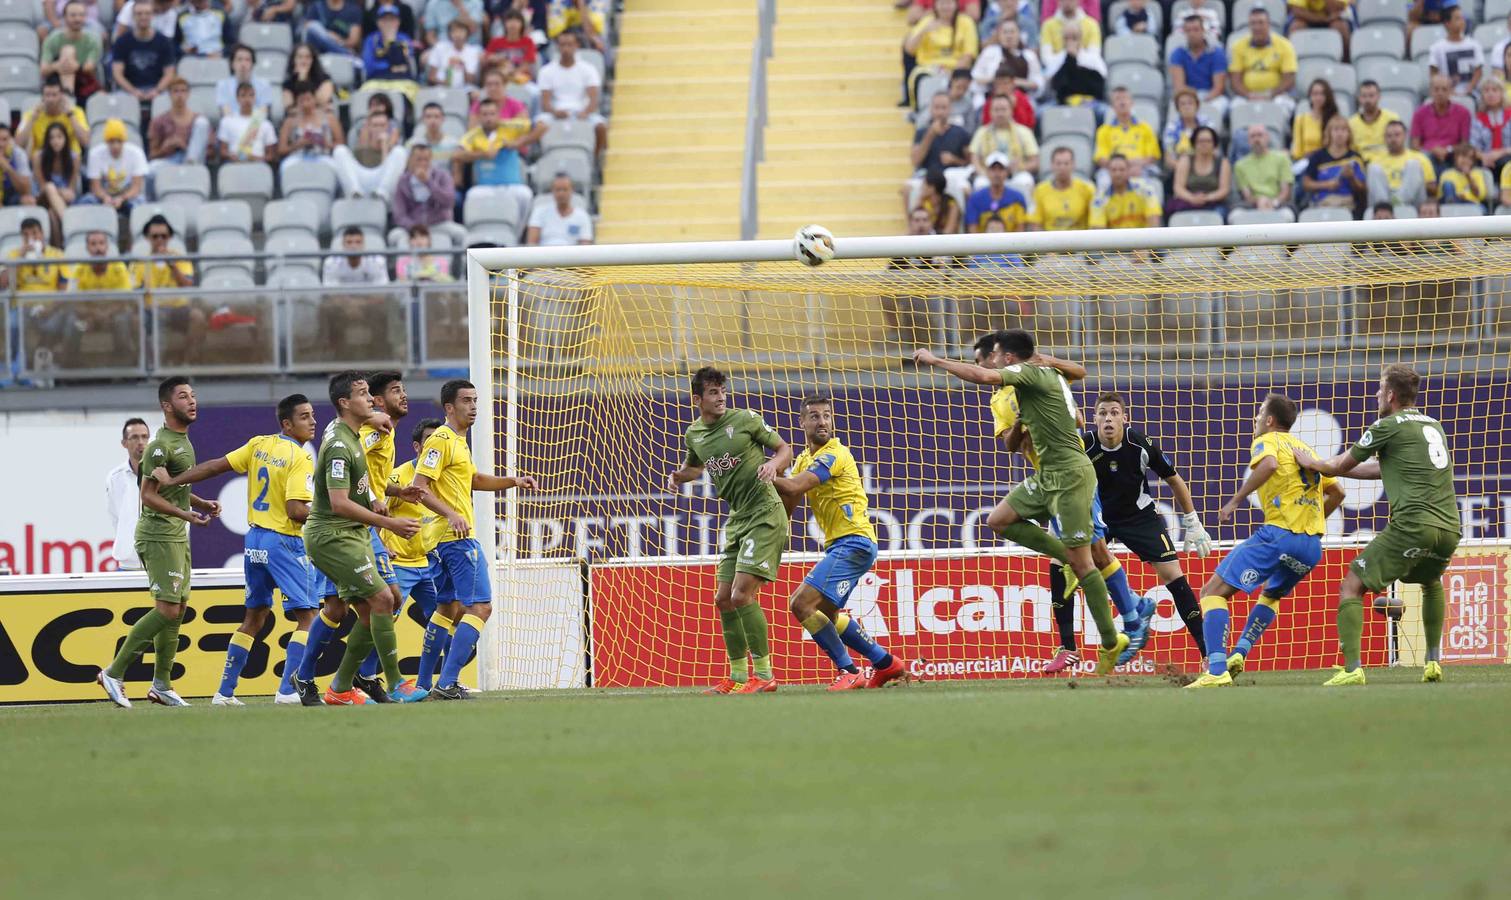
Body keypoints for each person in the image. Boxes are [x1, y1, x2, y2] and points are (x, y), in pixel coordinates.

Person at [913, 331, 1131, 674]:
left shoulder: (1031, 372)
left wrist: (935, 360)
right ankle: (1068, 560)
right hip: (1047, 477)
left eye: (997, 355)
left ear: (1010, 358)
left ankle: (1110, 641)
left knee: (1087, 562)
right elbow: (1069, 389)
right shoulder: (1046, 374)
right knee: (998, 520)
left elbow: (984, 376)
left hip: (1071, 475)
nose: (994, 361)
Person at [149, 396, 325, 705]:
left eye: (312, 415)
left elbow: (214, 466)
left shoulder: (259, 444)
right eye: (304, 417)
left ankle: (224, 692)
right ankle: (288, 690)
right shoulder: (300, 457)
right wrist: (330, 514)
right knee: (308, 616)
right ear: (287, 423)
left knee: (254, 617)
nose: (312, 422)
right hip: (284, 540)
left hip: (254, 541)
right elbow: (296, 510)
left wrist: (174, 482)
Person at [1298, 365, 1462, 686]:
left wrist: (1314, 464)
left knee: (1352, 585)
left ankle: (1353, 669)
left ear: (1390, 395)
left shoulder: (1386, 425)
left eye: (1379, 390)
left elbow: (1344, 463)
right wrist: (1336, 470)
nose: (1375, 395)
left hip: (1412, 524)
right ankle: (1432, 663)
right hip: (1448, 526)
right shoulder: (1434, 424)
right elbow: (1381, 469)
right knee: (1430, 581)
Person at [1185, 394, 1345, 688]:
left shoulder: (1268, 441)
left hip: (1278, 536)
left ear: (1270, 420)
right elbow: (1338, 493)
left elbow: (1269, 464)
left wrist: (1235, 500)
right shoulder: (1305, 448)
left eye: (1259, 413)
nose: (1256, 419)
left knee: (1211, 592)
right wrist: (1312, 519)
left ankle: (1217, 669)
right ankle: (1240, 653)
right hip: (1310, 547)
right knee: (1271, 595)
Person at [298, 372, 425, 705]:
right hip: (333, 534)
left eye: (372, 393)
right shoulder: (342, 444)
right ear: (344, 403)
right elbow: (339, 502)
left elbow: (362, 479)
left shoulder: (350, 434)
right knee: (374, 602)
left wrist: (380, 495)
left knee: (384, 603)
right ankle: (394, 682)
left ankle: (340, 688)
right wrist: (389, 521)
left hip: (352, 531)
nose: (372, 399)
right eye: (364, 394)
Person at [664, 368, 791, 694]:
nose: (720, 397)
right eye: (712, 392)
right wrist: (680, 476)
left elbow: (784, 449)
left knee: (741, 594)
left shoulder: (746, 419)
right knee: (723, 599)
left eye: (722, 390)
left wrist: (773, 465)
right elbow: (695, 467)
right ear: (698, 399)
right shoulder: (694, 434)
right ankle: (737, 678)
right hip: (738, 520)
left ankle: (764, 676)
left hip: (765, 513)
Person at [410, 379, 539, 700]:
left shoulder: (457, 441)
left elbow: (474, 479)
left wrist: (512, 480)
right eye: (466, 401)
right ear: (449, 408)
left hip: (440, 540)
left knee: (447, 607)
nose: (474, 407)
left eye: (476, 400)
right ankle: (449, 682)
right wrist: (452, 513)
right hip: (453, 538)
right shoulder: (440, 440)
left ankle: (425, 684)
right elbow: (419, 486)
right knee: (480, 607)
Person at [95, 377, 219, 709]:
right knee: (166, 609)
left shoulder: (183, 442)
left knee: (176, 611)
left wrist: (200, 503)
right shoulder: (160, 445)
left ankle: (161, 684)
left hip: (176, 533)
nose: (192, 401)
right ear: (167, 406)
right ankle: (114, 672)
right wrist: (186, 513)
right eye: (183, 396)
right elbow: (148, 497)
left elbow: (171, 488)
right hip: (158, 535)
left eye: (193, 395)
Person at [772, 397, 907, 691]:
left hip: (854, 542)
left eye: (827, 416)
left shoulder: (835, 454)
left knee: (801, 603)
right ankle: (886, 664)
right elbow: (790, 501)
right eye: (814, 416)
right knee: (829, 615)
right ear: (802, 423)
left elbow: (795, 486)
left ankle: (849, 670)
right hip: (841, 545)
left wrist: (764, 473)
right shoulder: (803, 460)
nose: (822, 422)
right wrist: (776, 480)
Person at [1082, 392, 1215, 663]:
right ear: (1094, 419)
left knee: (1175, 578)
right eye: (1103, 413)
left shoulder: (1140, 444)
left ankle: (1208, 654)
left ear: (1125, 418)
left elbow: (1174, 480)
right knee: (1080, 569)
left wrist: (1192, 522)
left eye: (1115, 413)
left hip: (1139, 517)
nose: (1109, 418)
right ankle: (1136, 609)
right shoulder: (1083, 445)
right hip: (1100, 519)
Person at [371, 416, 448, 691]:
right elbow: (374, 511)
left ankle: (441, 681)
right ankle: (365, 677)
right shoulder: (398, 476)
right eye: (429, 441)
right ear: (417, 446)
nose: (436, 446)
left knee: (444, 619)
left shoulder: (444, 475)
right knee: (383, 622)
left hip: (429, 562)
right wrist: (381, 545)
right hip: (399, 564)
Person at [455, 95, 542, 232]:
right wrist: (482, 154)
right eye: (484, 114)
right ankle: (478, 235)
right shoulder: (473, 136)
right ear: (479, 117)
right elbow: (457, 155)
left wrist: (518, 143)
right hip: (485, 187)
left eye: (492, 114)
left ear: (498, 115)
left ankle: (515, 234)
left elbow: (541, 126)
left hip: (511, 185)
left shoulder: (510, 126)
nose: (489, 118)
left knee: (525, 194)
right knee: (472, 195)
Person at [133, 214, 202, 362]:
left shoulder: (179, 258)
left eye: (164, 236)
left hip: (178, 308)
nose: (160, 240)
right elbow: (135, 291)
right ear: (147, 238)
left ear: (169, 237)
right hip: (151, 310)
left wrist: (173, 266)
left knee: (198, 317)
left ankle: (187, 362)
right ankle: (150, 364)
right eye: (155, 236)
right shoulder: (140, 263)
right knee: (135, 320)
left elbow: (187, 284)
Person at [538, 31, 606, 159]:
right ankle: (544, 158)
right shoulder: (546, 71)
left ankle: (595, 159)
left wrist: (585, 112)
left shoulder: (588, 69)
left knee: (601, 127)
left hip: (582, 111)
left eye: (569, 45)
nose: (566, 49)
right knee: (540, 125)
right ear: (558, 47)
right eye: (562, 45)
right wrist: (555, 112)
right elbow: (545, 102)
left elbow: (593, 99)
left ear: (577, 46)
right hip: (557, 111)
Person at [902, 0, 978, 108]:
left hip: (956, 70)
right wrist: (924, 31)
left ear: (956, 5)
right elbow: (909, 49)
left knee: (958, 82)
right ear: (935, 6)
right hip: (928, 69)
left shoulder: (966, 22)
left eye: (949, 3)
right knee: (924, 80)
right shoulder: (927, 21)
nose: (945, 7)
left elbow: (968, 55)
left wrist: (951, 72)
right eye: (942, 3)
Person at [391, 144, 465, 253]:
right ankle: (400, 269)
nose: (422, 163)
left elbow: (449, 202)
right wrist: (416, 228)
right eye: (418, 160)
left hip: (439, 223)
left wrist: (428, 182)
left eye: (426, 159)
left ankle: (458, 268)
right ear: (410, 160)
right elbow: (399, 215)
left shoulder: (442, 176)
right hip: (413, 226)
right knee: (393, 236)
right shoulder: (403, 181)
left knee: (461, 234)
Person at [332, 97, 409, 200]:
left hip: (381, 182)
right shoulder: (363, 143)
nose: (379, 128)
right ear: (370, 127)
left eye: (382, 125)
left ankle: (382, 193)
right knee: (339, 150)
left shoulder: (392, 149)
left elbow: (386, 169)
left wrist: (384, 146)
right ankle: (354, 192)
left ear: (387, 127)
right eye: (375, 125)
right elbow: (359, 159)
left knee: (400, 151)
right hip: (361, 179)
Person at [1230, 7, 1298, 117]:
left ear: (1269, 24)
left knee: (1284, 106)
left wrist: (1270, 95)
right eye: (1253, 23)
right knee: (1235, 108)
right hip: (1247, 96)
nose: (1257, 27)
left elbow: (1289, 79)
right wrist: (1249, 95)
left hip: (1277, 95)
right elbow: (1235, 80)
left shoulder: (1285, 45)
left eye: (1261, 23)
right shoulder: (1239, 46)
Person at [147, 79, 210, 191]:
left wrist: (186, 147)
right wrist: (165, 148)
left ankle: (189, 163)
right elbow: (152, 155)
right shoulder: (159, 121)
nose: (180, 95)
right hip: (170, 161)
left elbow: (211, 153)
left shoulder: (197, 118)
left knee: (202, 123)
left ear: (188, 94)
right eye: (176, 91)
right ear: (169, 95)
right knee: (150, 170)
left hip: (194, 161)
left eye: (183, 91)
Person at [105, 417, 150, 571]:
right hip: (127, 563)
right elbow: (115, 517)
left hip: (160, 561)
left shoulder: (164, 474)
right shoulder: (115, 477)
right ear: (124, 443)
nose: (141, 442)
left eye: (144, 437)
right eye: (134, 437)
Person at [1093, 87, 1159, 191]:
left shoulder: (1145, 128)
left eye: (1125, 98)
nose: (1122, 102)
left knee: (1150, 183)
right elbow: (1101, 158)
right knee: (1103, 180)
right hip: (1113, 169)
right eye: (1118, 99)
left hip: (1140, 168)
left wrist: (1135, 166)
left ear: (1132, 103)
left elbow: (1152, 156)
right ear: (1112, 106)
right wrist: (1121, 169)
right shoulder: (1104, 130)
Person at [969, 94, 1037, 193]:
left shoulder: (1024, 132)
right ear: (990, 112)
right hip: (989, 175)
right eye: (996, 110)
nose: (1000, 113)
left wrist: (1020, 167)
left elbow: (1035, 161)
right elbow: (974, 159)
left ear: (1011, 111)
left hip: (1015, 173)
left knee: (1025, 181)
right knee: (980, 184)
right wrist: (983, 172)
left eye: (1003, 109)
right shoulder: (981, 132)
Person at [277, 80, 344, 181]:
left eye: (308, 99)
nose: (305, 104)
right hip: (297, 157)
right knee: (286, 167)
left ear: (314, 99)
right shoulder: (290, 121)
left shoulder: (329, 118)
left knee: (334, 168)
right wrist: (298, 145)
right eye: (302, 100)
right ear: (297, 102)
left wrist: (326, 143)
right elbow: (281, 149)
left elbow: (341, 144)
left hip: (323, 157)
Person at [112, 1, 177, 103]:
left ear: (153, 16)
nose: (143, 17)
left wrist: (157, 91)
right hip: (128, 91)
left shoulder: (164, 42)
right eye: (139, 13)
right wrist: (133, 91)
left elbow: (169, 73)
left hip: (157, 91)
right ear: (133, 16)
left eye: (147, 13)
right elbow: (117, 73)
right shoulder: (122, 42)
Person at [910, 92, 972, 199]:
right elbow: (916, 161)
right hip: (927, 176)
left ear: (950, 109)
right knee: (909, 189)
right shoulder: (921, 133)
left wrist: (955, 160)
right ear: (930, 109)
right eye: (936, 108)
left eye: (944, 108)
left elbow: (969, 162)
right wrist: (930, 134)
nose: (940, 112)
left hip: (953, 176)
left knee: (965, 190)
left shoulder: (961, 132)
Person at [1168, 14, 1228, 118]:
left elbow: (1218, 87)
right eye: (1188, 30)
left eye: (1196, 30)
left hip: (1211, 96)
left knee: (1218, 106)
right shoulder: (1178, 53)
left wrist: (1201, 101)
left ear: (1203, 31)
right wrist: (1192, 101)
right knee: (1176, 108)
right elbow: (1179, 86)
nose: (1192, 34)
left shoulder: (1217, 53)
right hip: (1188, 95)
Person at [1302, 114, 1366, 210]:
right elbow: (1306, 184)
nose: (1339, 134)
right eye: (1336, 129)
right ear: (1329, 133)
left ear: (1349, 134)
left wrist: (1352, 177)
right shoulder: (1318, 156)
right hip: (1321, 203)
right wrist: (1327, 184)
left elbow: (1362, 188)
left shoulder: (1355, 157)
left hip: (1347, 204)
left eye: (1343, 130)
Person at [83, 119, 147, 212]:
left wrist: (122, 198)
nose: (115, 146)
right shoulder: (95, 154)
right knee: (86, 201)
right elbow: (95, 187)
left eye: (119, 141)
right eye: (112, 141)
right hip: (103, 196)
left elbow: (136, 187)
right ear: (106, 141)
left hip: (128, 196)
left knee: (140, 205)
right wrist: (105, 197)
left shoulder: (136, 153)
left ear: (124, 141)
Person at [1369, 119, 1436, 207]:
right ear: (1384, 138)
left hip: (1412, 203)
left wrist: (1417, 181)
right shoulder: (1376, 160)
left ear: (1405, 136)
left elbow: (1433, 189)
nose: (1393, 139)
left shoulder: (1420, 158)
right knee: (1373, 168)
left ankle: (1397, 202)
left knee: (1413, 165)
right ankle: (1386, 207)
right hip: (1384, 199)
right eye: (1389, 136)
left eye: (1397, 135)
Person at [41, 1, 102, 99]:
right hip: (57, 82)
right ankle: (68, 95)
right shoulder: (52, 39)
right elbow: (44, 69)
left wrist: (76, 66)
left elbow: (90, 68)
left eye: (81, 15)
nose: (77, 19)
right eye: (73, 15)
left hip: (83, 80)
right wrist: (58, 65)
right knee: (67, 51)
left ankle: (69, 96)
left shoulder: (92, 40)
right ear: (64, 18)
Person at [1041, 22, 1106, 113]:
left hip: (1090, 101)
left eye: (1074, 38)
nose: (1070, 42)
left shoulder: (1093, 59)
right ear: (1062, 40)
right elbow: (1054, 87)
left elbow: (1099, 86)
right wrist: (1070, 60)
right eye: (1067, 38)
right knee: (1041, 112)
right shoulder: (1055, 60)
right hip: (1062, 103)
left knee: (1103, 111)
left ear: (1080, 38)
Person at [32, 123, 81, 243]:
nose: (55, 141)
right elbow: (42, 186)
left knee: (52, 215)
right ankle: (70, 225)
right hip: (42, 198)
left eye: (59, 137)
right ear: (47, 140)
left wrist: (63, 193)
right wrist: (59, 191)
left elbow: (71, 191)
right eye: (51, 138)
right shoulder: (38, 156)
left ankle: (60, 251)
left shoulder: (74, 158)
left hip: (64, 201)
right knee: (49, 187)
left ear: (65, 138)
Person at [972, 19, 1041, 103]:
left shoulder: (1029, 55)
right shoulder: (989, 52)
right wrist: (997, 81)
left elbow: (1037, 83)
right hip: (991, 97)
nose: (1009, 36)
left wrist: (1015, 82)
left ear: (1019, 34)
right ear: (999, 35)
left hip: (1022, 98)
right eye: (1005, 32)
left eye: (1012, 32)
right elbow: (976, 77)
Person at [1412, 74, 1472, 169]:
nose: (1440, 93)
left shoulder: (1463, 113)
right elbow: (1415, 145)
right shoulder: (1420, 113)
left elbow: (1465, 143)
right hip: (1428, 155)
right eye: (1436, 89)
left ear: (1451, 91)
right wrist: (1432, 150)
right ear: (1431, 91)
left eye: (1444, 89)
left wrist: (1448, 150)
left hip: (1453, 155)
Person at [1027, 145, 1094, 229]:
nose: (1062, 167)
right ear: (1052, 165)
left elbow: (1095, 223)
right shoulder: (1040, 191)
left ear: (1073, 165)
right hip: (1050, 240)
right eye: (1058, 163)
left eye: (1066, 163)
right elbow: (1035, 224)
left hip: (1080, 240)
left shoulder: (1087, 189)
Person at [1169, 125, 1231, 217]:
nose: (1204, 144)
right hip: (1187, 201)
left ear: (1214, 144)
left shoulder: (1223, 162)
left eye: (1208, 141)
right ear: (1194, 143)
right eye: (1201, 141)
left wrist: (1206, 198)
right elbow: (1178, 187)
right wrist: (1192, 198)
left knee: (1221, 213)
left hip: (1213, 203)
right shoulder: (1185, 160)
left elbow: (1224, 190)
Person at [362, 4, 422, 97]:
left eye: (392, 19)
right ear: (378, 22)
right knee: (364, 92)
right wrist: (389, 67)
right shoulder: (371, 40)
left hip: (402, 80)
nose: (388, 23)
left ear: (398, 22)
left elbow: (408, 65)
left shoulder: (404, 38)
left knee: (413, 92)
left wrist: (392, 42)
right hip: (376, 80)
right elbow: (369, 67)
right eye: (385, 20)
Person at [1235, 123, 1295, 210]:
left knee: (1287, 214)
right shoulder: (1240, 165)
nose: (1256, 139)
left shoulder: (1282, 158)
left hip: (1279, 203)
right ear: (1248, 141)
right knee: (1235, 215)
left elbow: (1285, 191)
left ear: (1267, 138)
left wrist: (1273, 203)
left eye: (1260, 135)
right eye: (1252, 136)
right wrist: (1260, 202)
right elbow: (1247, 196)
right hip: (1253, 205)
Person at [1089, 154, 1160, 227]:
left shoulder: (1144, 188)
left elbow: (1153, 219)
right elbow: (1098, 229)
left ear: (1128, 170)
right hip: (1115, 238)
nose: (1118, 174)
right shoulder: (1099, 198)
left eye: (1122, 169)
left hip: (1144, 237)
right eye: (1114, 170)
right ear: (1108, 172)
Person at [963, 153, 1028, 231]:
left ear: (1007, 172)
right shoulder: (975, 199)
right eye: (993, 169)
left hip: (1011, 242)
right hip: (982, 242)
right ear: (987, 172)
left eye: (1001, 169)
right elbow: (972, 230)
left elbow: (1020, 230)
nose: (997, 174)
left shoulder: (1017, 198)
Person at [526, 172, 593, 245]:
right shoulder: (539, 212)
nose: (561, 193)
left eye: (565, 189)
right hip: (545, 255)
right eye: (558, 190)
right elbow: (532, 244)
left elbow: (585, 247)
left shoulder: (582, 216)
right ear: (552, 191)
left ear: (572, 190)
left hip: (571, 255)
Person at [1429, 7, 1483, 97]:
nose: (1462, 21)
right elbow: (1433, 74)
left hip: (1472, 93)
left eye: (1463, 18)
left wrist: (1469, 88)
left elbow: (1478, 71)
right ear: (1447, 23)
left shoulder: (1474, 45)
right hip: (1445, 94)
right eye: (1458, 18)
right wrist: (1447, 90)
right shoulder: (1437, 48)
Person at [217, 82, 277, 162]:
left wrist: (256, 159)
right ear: (237, 98)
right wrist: (232, 157)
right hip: (234, 165)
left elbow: (271, 155)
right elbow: (222, 151)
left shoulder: (265, 123)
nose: (247, 99)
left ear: (255, 98)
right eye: (243, 95)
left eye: (251, 95)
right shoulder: (227, 121)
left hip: (258, 166)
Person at [215, 44, 275, 118]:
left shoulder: (264, 84)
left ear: (253, 64)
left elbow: (262, 113)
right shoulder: (223, 85)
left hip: (256, 125)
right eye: (239, 59)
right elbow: (227, 115)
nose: (243, 64)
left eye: (247, 60)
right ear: (232, 64)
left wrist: (251, 129)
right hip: (232, 125)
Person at [1350, 80, 1400, 166]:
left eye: (1371, 96)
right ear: (1359, 98)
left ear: (1379, 97)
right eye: (1364, 96)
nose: (1368, 100)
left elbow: (1398, 145)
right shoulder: (1351, 123)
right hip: (1361, 166)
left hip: (1388, 164)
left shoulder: (1392, 119)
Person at [1293, 78, 1339, 162]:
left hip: (1328, 162)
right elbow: (1297, 152)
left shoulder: (1334, 120)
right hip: (1306, 162)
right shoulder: (1301, 120)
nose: (1318, 97)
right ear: (1310, 96)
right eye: (1315, 94)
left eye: (1322, 94)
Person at [1286, 0, 1353, 58]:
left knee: (1340, 27)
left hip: (1334, 18)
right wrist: (1322, 19)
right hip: (1307, 17)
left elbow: (1336, 9)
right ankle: (1292, 65)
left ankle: (1346, 64)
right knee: (1296, 27)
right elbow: (1297, 10)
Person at [427, 19, 482, 88]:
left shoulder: (473, 51)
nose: (458, 34)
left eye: (461, 31)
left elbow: (471, 81)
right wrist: (445, 83)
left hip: (464, 90)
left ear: (467, 33)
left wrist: (463, 66)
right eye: (454, 31)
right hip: (441, 89)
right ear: (449, 34)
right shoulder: (439, 47)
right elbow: (431, 77)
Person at [1162, 88, 1212, 163]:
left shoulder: (1207, 123)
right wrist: (1181, 170)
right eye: (1182, 104)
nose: (1187, 107)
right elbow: (1169, 155)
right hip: (1179, 165)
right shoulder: (1172, 127)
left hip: (1205, 166)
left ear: (1197, 106)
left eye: (1190, 103)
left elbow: (1214, 150)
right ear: (1177, 108)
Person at [484, 9, 537, 78]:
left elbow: (526, 65)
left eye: (517, 21)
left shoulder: (528, 42)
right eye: (510, 20)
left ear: (522, 24)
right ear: (504, 23)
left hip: (521, 79)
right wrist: (495, 58)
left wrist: (512, 73)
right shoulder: (495, 41)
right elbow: (485, 58)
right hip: (498, 80)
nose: (513, 24)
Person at [281, 43, 336, 110]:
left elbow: (322, 100)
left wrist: (304, 79)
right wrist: (301, 78)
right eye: (300, 57)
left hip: (320, 116)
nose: (303, 61)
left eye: (307, 57)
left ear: (313, 60)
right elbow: (288, 105)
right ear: (294, 60)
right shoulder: (289, 82)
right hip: (298, 118)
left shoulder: (324, 78)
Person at [1472, 78, 1511, 172]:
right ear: (1482, 95)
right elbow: (1473, 146)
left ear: (1502, 94)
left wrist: (1499, 153)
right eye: (1486, 91)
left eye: (1494, 90)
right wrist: (1483, 157)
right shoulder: (1477, 119)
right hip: (1485, 161)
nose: (1490, 94)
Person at [408, 101, 461, 169]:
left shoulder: (454, 144)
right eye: (428, 117)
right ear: (423, 119)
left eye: (436, 116)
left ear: (443, 119)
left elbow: (457, 177)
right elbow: (409, 173)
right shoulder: (412, 144)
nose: (433, 120)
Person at [1439, 142, 1491, 207]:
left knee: (1482, 208)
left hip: (1472, 205)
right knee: (1448, 185)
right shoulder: (1447, 174)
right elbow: (1441, 196)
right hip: (1452, 205)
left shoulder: (1477, 173)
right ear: (1456, 157)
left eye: (1470, 158)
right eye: (1463, 156)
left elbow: (1480, 195)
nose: (1466, 160)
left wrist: (1468, 176)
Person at [915, 167, 961, 234]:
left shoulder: (951, 205)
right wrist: (919, 200)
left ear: (932, 188)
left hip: (946, 241)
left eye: (924, 184)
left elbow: (949, 231)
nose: (921, 187)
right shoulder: (924, 202)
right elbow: (913, 227)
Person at [0, 124, 35, 206]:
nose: (1, 144)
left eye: (4, 139)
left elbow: (26, 191)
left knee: (29, 200)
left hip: (12, 194)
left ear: (10, 140)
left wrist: (8, 168)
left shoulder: (18, 153)